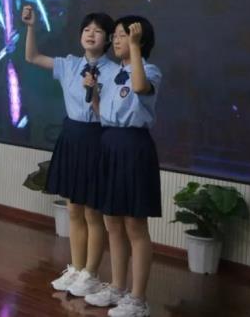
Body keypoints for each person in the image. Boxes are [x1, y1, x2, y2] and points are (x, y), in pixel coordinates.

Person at [22, 5, 116, 296]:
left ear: (108, 39)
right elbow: (32, 57)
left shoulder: (115, 72)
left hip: (97, 138)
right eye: (86, 29)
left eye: (97, 31)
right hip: (72, 136)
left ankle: (91, 273)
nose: (91, 34)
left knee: (92, 212)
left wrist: (96, 92)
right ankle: (76, 268)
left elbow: (111, 115)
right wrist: (31, 27)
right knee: (73, 208)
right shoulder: (70, 65)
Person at [84, 16, 161, 317]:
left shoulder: (150, 70)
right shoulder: (111, 73)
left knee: (134, 225)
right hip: (109, 143)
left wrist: (136, 48)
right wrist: (93, 93)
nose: (115, 40)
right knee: (112, 221)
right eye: (114, 35)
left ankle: (138, 299)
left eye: (122, 35)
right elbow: (102, 112)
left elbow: (139, 87)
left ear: (139, 40)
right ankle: (117, 287)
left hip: (134, 146)